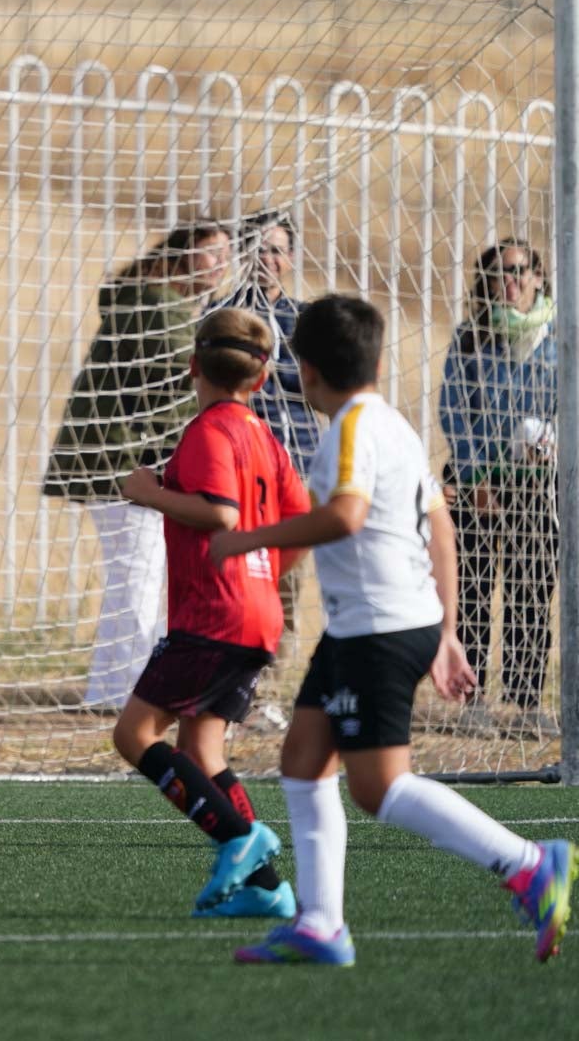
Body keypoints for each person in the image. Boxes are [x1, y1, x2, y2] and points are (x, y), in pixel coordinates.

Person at [210, 295, 572, 966]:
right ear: (375, 359)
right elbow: (439, 529)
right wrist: (446, 632)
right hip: (374, 625)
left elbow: (345, 517)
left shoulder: (350, 428)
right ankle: (320, 925)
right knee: (303, 758)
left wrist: (246, 540)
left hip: (374, 630)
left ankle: (528, 862)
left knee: (376, 787)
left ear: (305, 370)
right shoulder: (396, 427)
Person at [114, 307, 310, 920]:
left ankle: (238, 840)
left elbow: (221, 513)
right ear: (262, 376)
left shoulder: (210, 431)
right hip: (257, 615)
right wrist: (264, 575)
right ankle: (267, 887)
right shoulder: (266, 438)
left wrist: (149, 493)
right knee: (204, 749)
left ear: (193, 365)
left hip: (213, 617)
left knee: (134, 735)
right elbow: (299, 524)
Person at [44, 222, 233, 710]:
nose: (222, 265)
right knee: (138, 579)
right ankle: (117, 692)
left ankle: (119, 688)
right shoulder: (155, 304)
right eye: (211, 254)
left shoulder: (156, 302)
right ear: (179, 256)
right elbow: (179, 379)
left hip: (127, 463)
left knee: (139, 578)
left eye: (226, 255)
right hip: (125, 465)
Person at [439, 239, 560, 738]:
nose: (509, 282)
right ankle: (472, 701)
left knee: (532, 588)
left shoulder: (560, 339)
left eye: (519, 271)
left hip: (541, 484)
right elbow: (454, 410)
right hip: (479, 484)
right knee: (472, 587)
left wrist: (553, 443)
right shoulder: (470, 339)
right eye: (498, 274)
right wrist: (473, 477)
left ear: (537, 277)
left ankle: (527, 700)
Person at [219, 212, 316, 669]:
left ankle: (274, 677)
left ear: (291, 258)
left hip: (295, 461)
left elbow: (316, 386)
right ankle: (233, 672)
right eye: (259, 248)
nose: (268, 259)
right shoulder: (223, 317)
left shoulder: (305, 320)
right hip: (239, 464)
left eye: (276, 249)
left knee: (286, 576)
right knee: (237, 571)